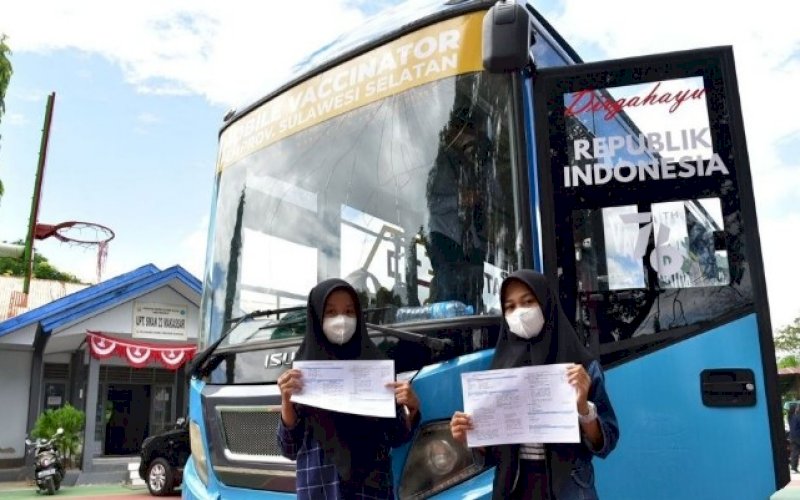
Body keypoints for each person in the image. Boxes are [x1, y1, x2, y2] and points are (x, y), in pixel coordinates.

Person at [449, 269, 619, 499]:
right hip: (515, 488)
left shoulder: (581, 367)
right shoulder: (500, 370)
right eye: (510, 307)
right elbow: (493, 453)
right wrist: (471, 436)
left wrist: (583, 410)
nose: (519, 312)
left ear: (546, 303)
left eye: (528, 302)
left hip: (568, 487)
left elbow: (605, 443)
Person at [276, 278, 421, 499]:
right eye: (331, 312)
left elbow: (397, 436)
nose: (341, 321)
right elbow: (288, 448)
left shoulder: (375, 367)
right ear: (316, 317)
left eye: (349, 312)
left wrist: (412, 408)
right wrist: (286, 402)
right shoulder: (301, 374)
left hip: (370, 490)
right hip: (319, 488)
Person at [789, 403, 800, 473]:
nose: (798, 408)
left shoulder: (791, 417)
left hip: (792, 437)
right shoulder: (797, 417)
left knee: (795, 452)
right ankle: (793, 467)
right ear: (795, 409)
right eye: (798, 407)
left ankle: (793, 468)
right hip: (797, 437)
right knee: (795, 452)